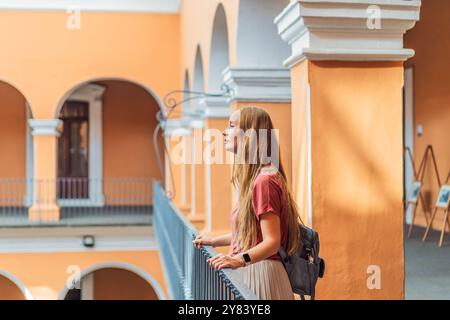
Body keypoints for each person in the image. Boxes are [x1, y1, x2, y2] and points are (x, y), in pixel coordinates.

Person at [193, 106, 304, 300]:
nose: (224, 131)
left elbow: (271, 241)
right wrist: (213, 241)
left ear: (250, 134)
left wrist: (238, 260)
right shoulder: (258, 179)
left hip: (261, 276)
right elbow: (250, 235)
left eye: (232, 125)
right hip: (253, 272)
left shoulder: (265, 181)